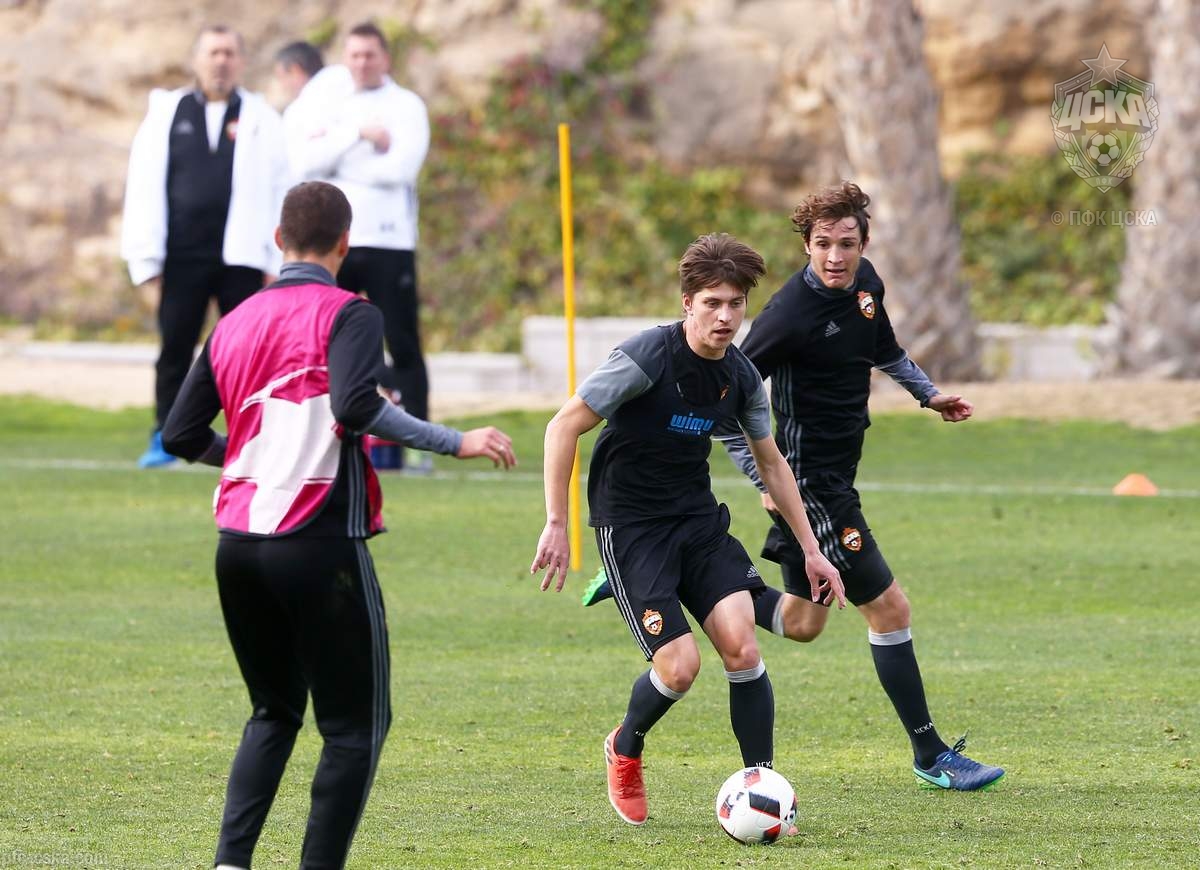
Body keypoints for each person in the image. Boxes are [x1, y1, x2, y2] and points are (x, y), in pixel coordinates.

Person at [583, 182, 1004, 792]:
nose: (836, 256)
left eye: (847, 244)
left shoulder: (866, 286)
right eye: (823, 244)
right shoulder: (785, 317)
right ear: (806, 245)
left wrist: (927, 394)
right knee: (890, 608)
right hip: (810, 487)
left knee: (805, 623)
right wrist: (764, 480)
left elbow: (885, 349)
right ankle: (930, 752)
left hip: (838, 477)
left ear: (864, 244)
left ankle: (654, 578)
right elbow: (728, 403)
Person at [161, 181, 517, 870]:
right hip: (317, 543)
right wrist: (454, 440)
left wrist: (249, 458)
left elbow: (180, 433)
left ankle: (230, 863)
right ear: (346, 245)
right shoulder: (351, 313)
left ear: (278, 241)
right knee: (355, 727)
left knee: (273, 712)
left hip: (237, 548)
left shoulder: (232, 321)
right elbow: (356, 405)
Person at [530, 233, 845, 827]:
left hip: (697, 521)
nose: (725, 317)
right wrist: (556, 523)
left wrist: (810, 549)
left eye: (735, 304)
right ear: (687, 304)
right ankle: (624, 746)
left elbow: (772, 463)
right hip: (632, 527)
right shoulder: (646, 357)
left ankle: (761, 785)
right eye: (712, 304)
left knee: (742, 645)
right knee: (679, 668)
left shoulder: (741, 376)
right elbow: (563, 426)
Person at [121, 24, 290, 468]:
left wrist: (275, 259)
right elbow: (143, 183)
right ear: (196, 60)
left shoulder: (261, 117)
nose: (221, 61)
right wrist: (146, 257)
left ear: (242, 61)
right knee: (175, 348)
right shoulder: (167, 113)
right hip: (181, 255)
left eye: (229, 53)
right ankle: (165, 435)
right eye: (213, 52)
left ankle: (249, 436)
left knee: (246, 352)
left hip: (242, 257)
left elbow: (280, 187)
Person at [290, 21, 431, 472]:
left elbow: (400, 170)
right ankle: (319, 435)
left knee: (402, 341)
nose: (362, 63)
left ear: (385, 58)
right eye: (354, 55)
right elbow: (307, 163)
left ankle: (420, 441)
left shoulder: (406, 105)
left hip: (389, 239)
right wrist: (358, 136)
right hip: (337, 241)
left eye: (370, 54)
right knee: (325, 337)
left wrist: (339, 166)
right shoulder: (330, 102)